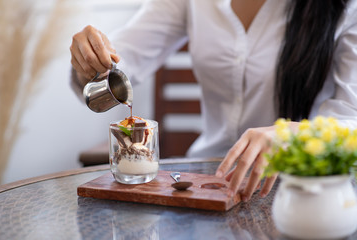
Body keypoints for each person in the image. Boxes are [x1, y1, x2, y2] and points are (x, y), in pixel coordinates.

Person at [70, 0, 357, 202]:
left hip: (301, 189)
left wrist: (295, 136)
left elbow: (352, 121)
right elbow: (121, 62)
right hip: (204, 183)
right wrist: (91, 60)